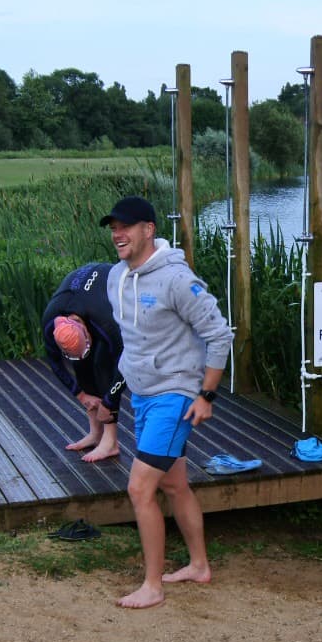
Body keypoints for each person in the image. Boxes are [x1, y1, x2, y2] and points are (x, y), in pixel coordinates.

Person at [102, 195, 232, 609]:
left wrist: (206, 395)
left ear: (148, 229)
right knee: (175, 484)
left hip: (174, 395)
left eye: (125, 226)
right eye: (112, 227)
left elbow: (220, 334)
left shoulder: (177, 280)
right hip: (142, 393)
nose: (117, 234)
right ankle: (198, 565)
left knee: (140, 488)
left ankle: (152, 586)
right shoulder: (115, 277)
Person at [39, 261, 126, 463]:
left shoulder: (106, 321)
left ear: (86, 330)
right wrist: (80, 394)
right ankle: (95, 433)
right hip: (80, 297)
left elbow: (126, 363)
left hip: (108, 285)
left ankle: (110, 441)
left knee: (102, 363)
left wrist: (109, 402)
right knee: (82, 364)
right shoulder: (50, 323)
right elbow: (55, 364)